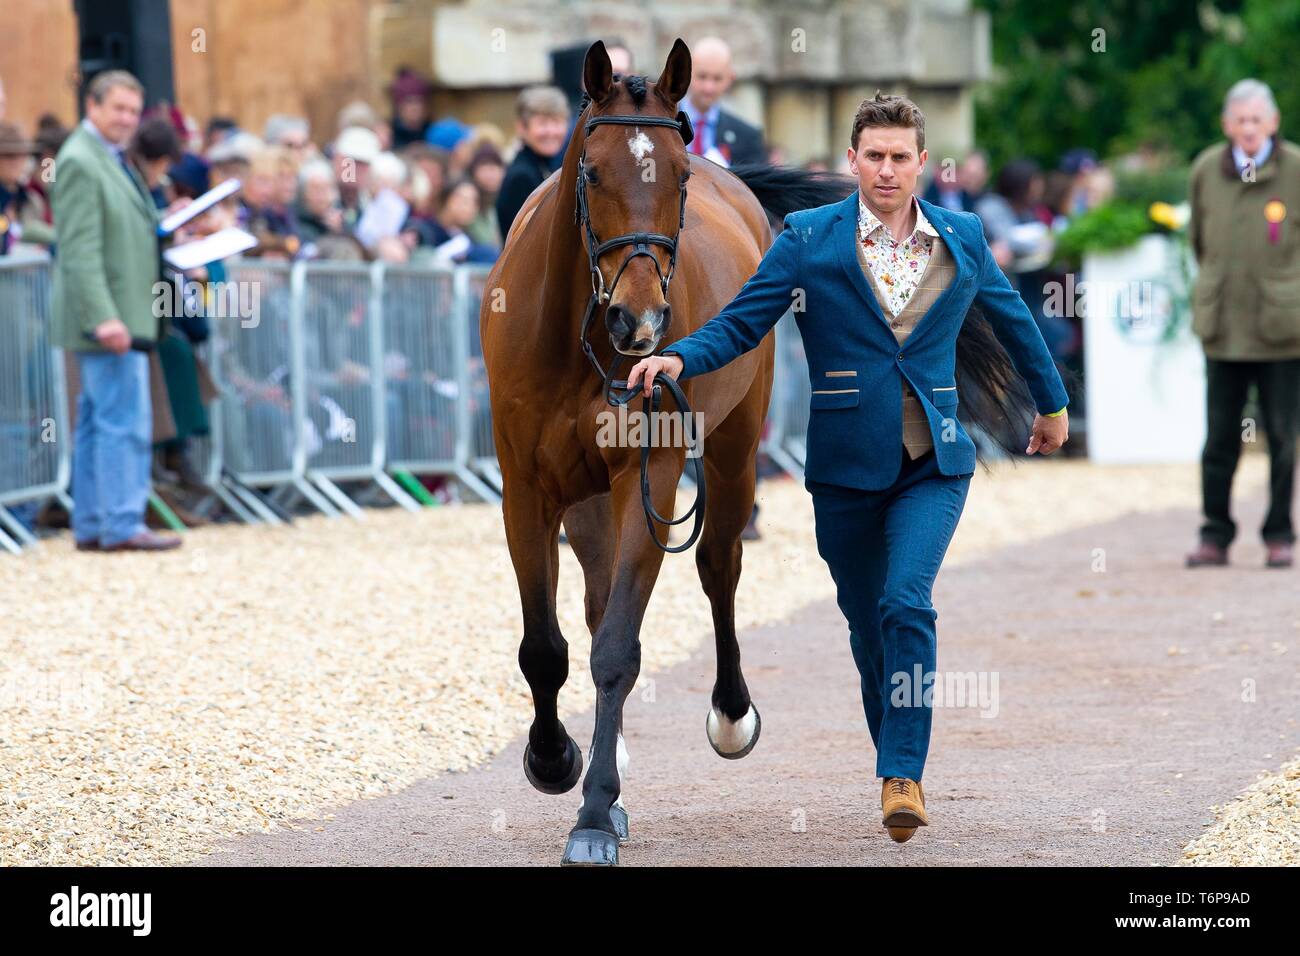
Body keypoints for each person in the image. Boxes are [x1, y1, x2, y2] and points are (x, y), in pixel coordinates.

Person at [626, 93, 1068, 843]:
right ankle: (891, 750)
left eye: (901, 157)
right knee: (868, 627)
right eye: (875, 156)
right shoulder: (807, 237)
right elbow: (741, 323)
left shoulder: (960, 234)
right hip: (843, 468)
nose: (887, 170)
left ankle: (903, 774)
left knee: (907, 603)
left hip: (934, 459)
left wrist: (1050, 405)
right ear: (853, 161)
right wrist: (677, 354)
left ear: (922, 163)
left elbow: (1013, 318)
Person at [51, 70, 181, 552]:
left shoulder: (106, 158)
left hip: (120, 312)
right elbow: (80, 249)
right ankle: (122, 522)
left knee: (96, 421)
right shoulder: (83, 161)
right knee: (121, 421)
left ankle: (94, 523)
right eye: (118, 109)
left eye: (133, 110)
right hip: (110, 317)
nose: (127, 119)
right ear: (93, 107)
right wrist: (104, 315)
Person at [1186, 78, 1300, 569]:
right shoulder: (1206, 169)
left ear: (1273, 122)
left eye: (1258, 119)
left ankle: (1278, 533)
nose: (1249, 128)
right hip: (1224, 328)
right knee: (1219, 439)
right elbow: (1198, 242)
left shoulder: (1296, 169)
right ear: (1227, 124)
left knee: (1282, 435)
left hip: (1282, 328)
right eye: (1241, 120)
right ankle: (1215, 533)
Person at [679, 36, 765, 167]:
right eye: (702, 76)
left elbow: (756, 185)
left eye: (717, 78)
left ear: (730, 79)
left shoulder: (748, 137)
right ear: (687, 74)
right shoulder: (661, 123)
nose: (708, 87)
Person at [495, 85, 569, 238]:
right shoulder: (521, 176)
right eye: (542, 123)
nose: (551, 132)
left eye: (557, 122)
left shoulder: (547, 165)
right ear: (522, 127)